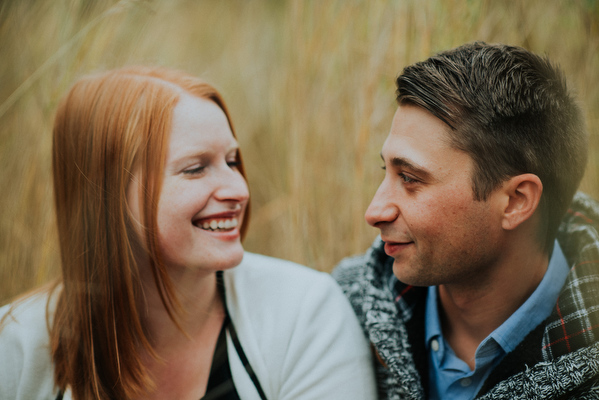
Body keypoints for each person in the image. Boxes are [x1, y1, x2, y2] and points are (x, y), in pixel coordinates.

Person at [0, 66, 377, 400]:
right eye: (195, 169)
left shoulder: (303, 314)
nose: (239, 190)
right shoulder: (15, 344)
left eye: (232, 161)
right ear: (106, 196)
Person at [333, 42, 599, 399]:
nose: (374, 211)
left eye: (410, 178)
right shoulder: (341, 308)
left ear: (515, 202)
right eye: (387, 171)